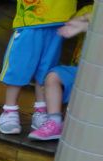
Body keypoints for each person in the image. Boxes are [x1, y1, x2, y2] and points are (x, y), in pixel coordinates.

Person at [0, 0, 76, 135]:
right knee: (19, 65)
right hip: (31, 20)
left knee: (46, 70)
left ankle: (41, 111)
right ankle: (9, 110)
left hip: (60, 19)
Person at [29, 7, 92, 141]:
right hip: (82, 70)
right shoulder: (89, 9)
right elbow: (72, 21)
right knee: (53, 76)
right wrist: (83, 19)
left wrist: (86, 26)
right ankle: (54, 123)